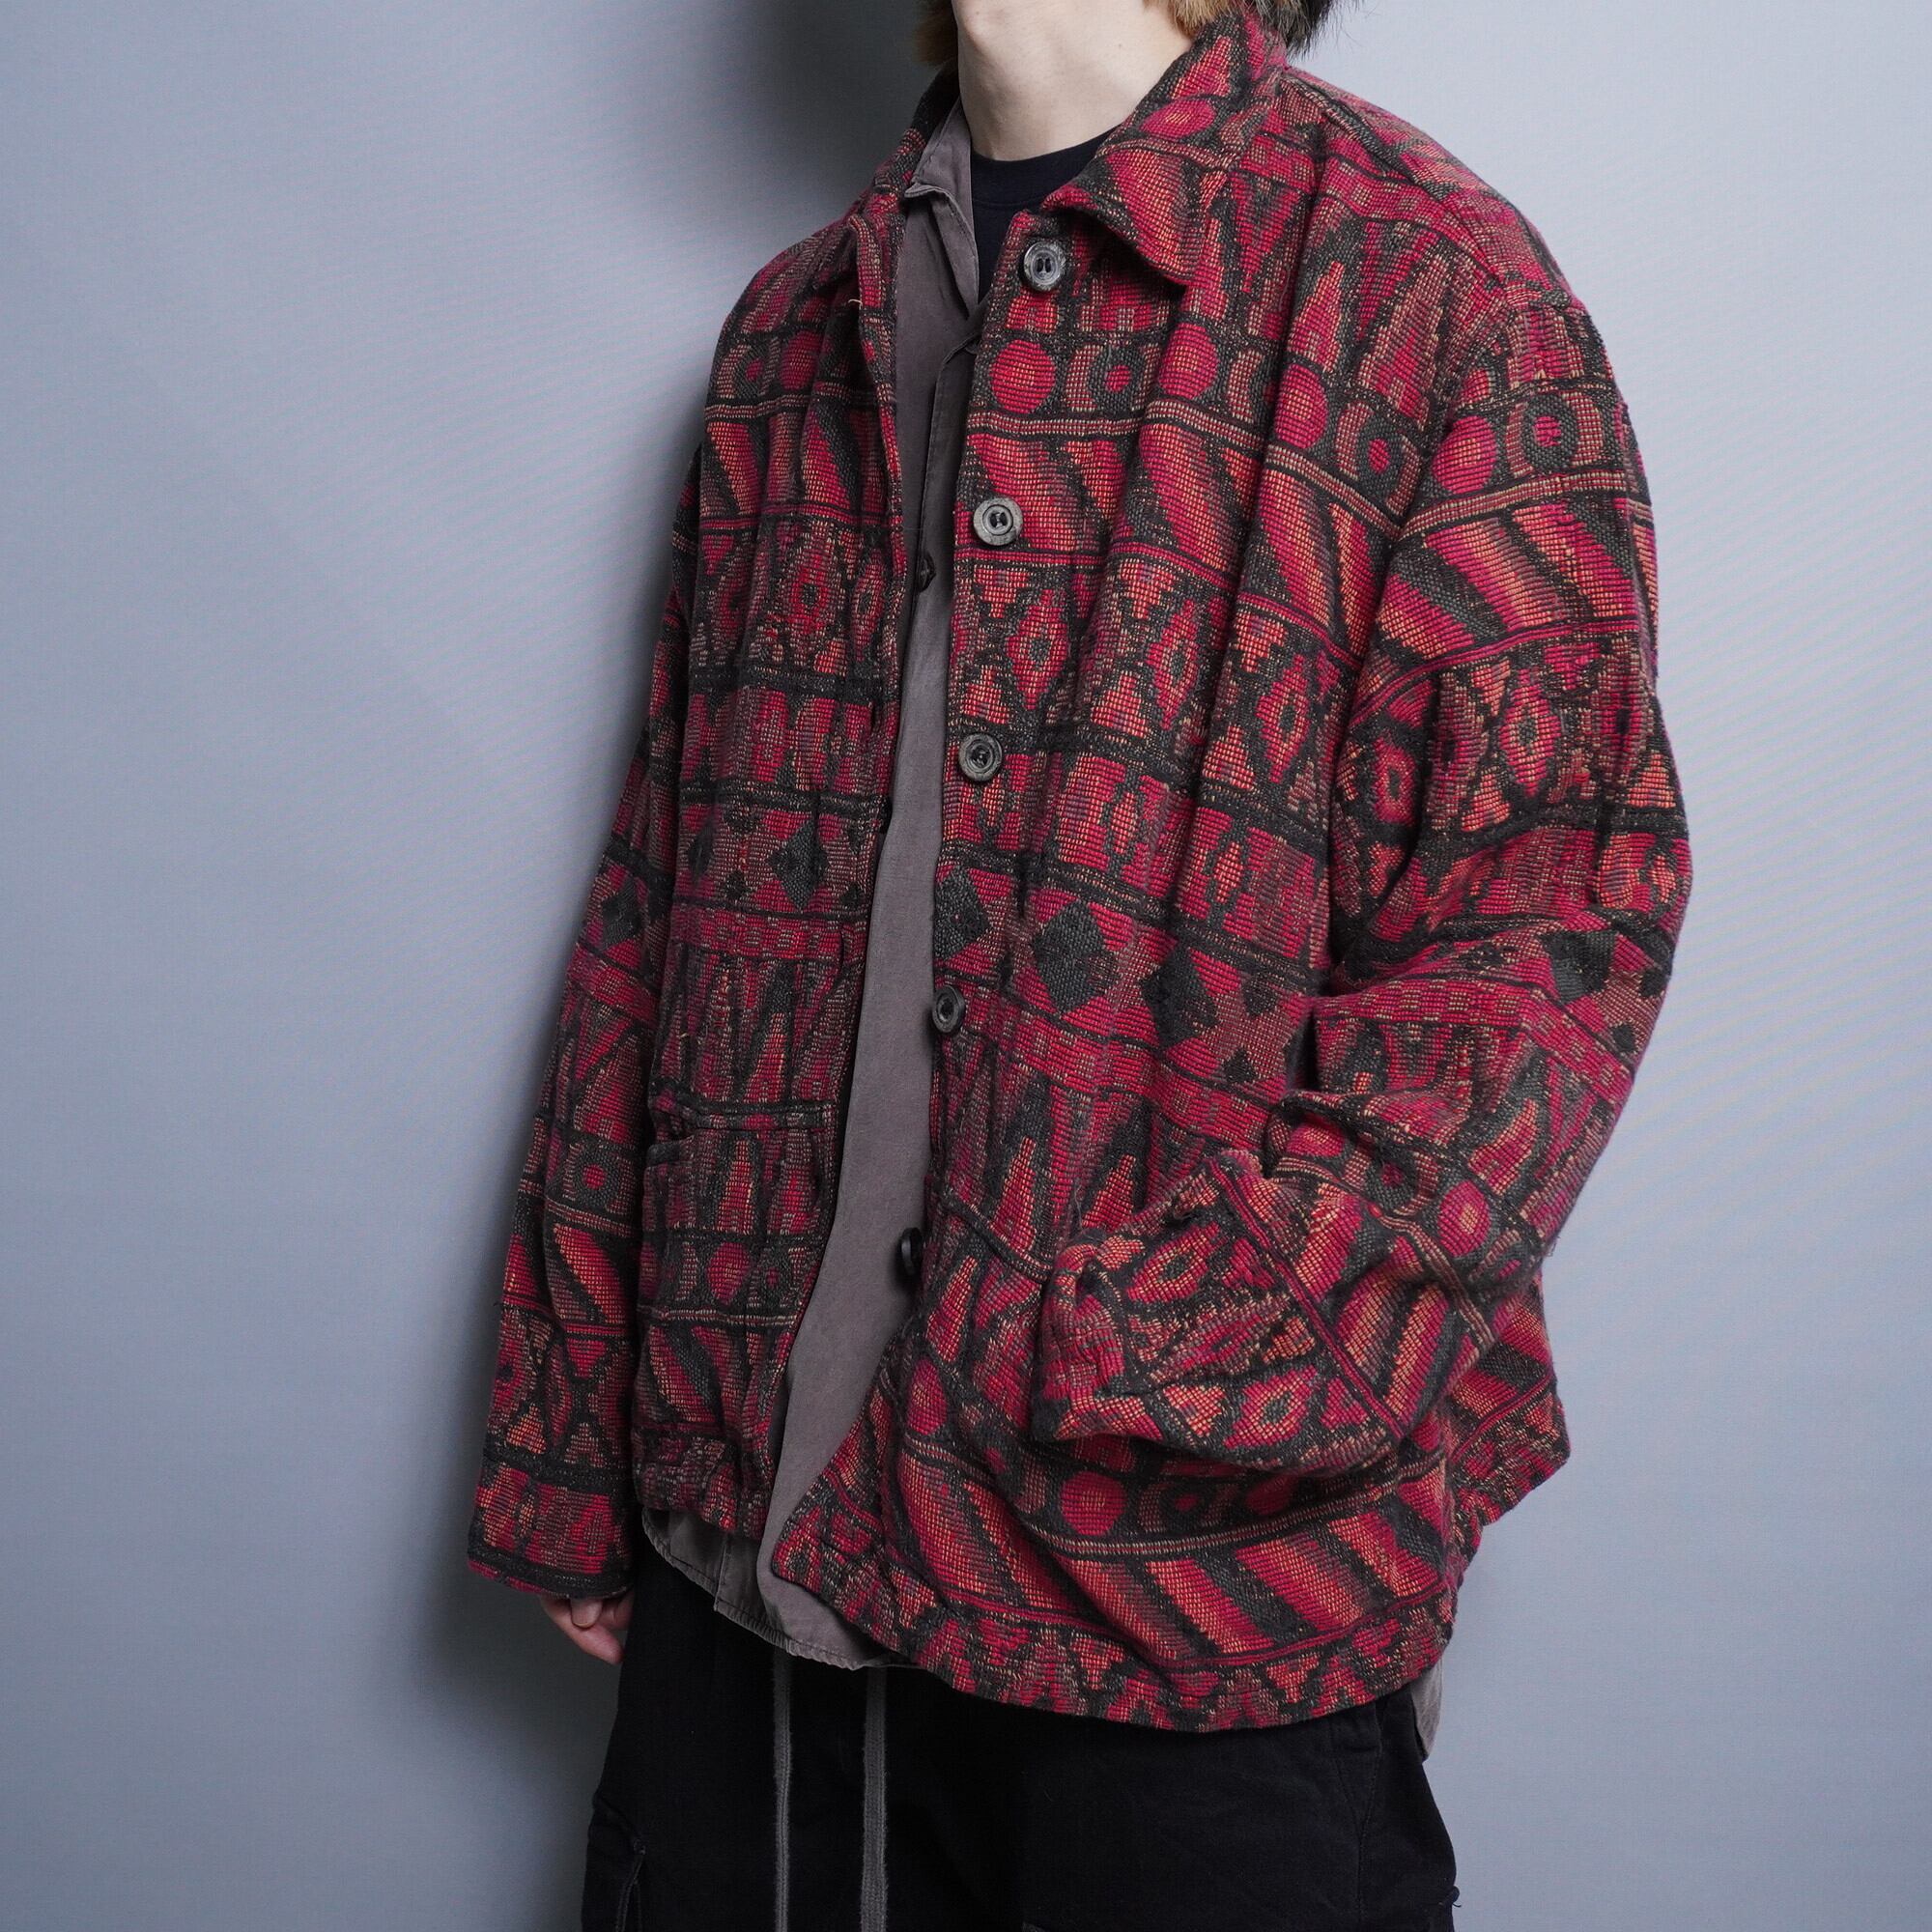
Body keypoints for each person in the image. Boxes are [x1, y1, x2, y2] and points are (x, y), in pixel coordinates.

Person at [467, 1, 1693, 1925]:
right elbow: (661, 894)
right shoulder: (794, 330)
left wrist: (1177, 1361)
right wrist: (573, 1430)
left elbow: (1544, 935)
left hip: (1187, 1607)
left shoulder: (1429, 288)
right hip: (746, 1578)